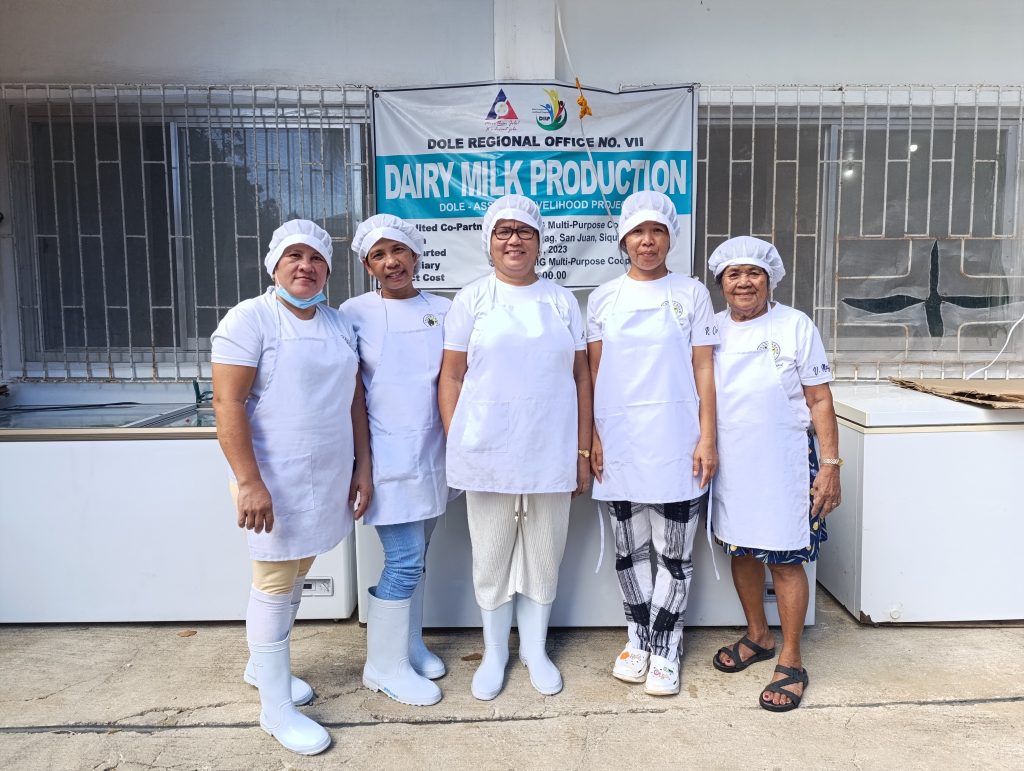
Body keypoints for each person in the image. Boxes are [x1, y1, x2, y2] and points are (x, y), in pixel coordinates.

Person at [211, 219, 372, 755]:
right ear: (274, 265)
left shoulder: (337, 323)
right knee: (276, 579)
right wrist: (249, 481)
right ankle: (276, 709)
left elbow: (353, 401)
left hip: (324, 472)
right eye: (293, 257)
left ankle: (262, 666)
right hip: (271, 476)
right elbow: (227, 403)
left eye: (316, 259)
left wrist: (360, 466)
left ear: (329, 270)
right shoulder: (249, 320)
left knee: (301, 565)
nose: (305, 267)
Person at [438, 194, 593, 700]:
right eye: (503, 231)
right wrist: (457, 440)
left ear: (539, 242)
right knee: (491, 553)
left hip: (550, 446)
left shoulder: (560, 300)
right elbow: (452, 376)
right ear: (489, 243)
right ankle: (496, 652)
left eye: (524, 231)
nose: (514, 240)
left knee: (545, 550)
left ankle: (535, 649)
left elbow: (581, 376)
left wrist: (582, 450)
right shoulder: (472, 299)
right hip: (487, 449)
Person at [587, 190, 718, 697]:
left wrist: (708, 437)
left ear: (670, 238)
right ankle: (637, 637)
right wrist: (592, 437)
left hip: (678, 440)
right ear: (624, 240)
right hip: (619, 442)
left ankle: (666, 646)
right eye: (638, 233)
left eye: (657, 232)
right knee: (630, 552)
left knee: (674, 555)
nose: (647, 242)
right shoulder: (602, 298)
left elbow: (703, 367)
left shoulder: (690, 294)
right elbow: (595, 372)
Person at [707, 236, 841, 713]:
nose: (744, 282)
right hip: (732, 464)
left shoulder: (795, 325)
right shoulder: (711, 328)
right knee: (741, 550)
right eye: (733, 275)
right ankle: (758, 635)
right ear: (721, 282)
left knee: (785, 559)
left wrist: (830, 466)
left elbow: (819, 398)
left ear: (770, 278)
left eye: (753, 273)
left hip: (783, 461)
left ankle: (791, 658)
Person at [341, 214, 451, 707]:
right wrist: (360, 465)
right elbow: (351, 395)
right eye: (379, 255)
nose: (392, 262)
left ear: (416, 254)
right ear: (368, 264)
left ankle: (408, 645)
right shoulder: (352, 313)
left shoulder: (444, 309)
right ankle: (382, 667)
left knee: (417, 559)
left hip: (434, 452)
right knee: (404, 560)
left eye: (399, 251)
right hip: (383, 455)